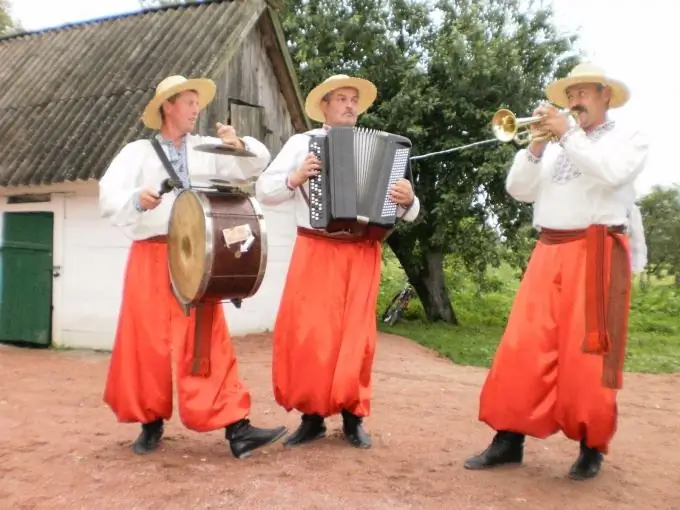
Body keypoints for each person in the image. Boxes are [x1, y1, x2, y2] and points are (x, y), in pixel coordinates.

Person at [463, 63, 649, 480]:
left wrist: (566, 133)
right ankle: (508, 439)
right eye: (569, 95)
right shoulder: (557, 142)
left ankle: (591, 447)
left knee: (590, 354)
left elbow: (611, 172)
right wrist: (534, 149)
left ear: (604, 95)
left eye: (582, 93)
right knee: (522, 346)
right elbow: (518, 191)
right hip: (549, 249)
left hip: (599, 251)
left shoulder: (627, 138)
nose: (574, 101)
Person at [99, 75, 287, 458]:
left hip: (200, 256)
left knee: (208, 338)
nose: (196, 109)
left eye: (196, 103)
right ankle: (149, 424)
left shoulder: (207, 148)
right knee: (145, 341)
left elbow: (257, 165)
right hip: (151, 254)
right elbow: (109, 195)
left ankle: (238, 428)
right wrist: (138, 199)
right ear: (168, 106)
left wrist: (239, 145)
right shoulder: (137, 153)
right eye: (189, 102)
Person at [255, 74, 421, 449]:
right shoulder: (303, 143)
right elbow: (264, 190)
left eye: (354, 100)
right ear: (324, 107)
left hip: (362, 252)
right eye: (342, 99)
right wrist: (294, 178)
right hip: (316, 248)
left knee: (356, 340)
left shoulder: (386, 148)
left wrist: (408, 199)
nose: (349, 105)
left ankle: (353, 418)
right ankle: (311, 418)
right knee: (312, 336)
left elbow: (410, 211)